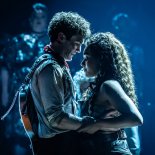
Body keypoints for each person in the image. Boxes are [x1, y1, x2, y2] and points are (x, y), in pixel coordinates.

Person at [29, 11, 93, 155]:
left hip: (61, 142)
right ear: (61, 37)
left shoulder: (58, 65)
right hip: (54, 146)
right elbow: (57, 118)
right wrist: (87, 124)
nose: (79, 50)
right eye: (77, 44)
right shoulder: (50, 68)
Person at [77, 32, 143, 155]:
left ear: (101, 59)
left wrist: (97, 124)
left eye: (87, 58)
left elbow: (136, 118)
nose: (82, 63)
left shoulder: (109, 85)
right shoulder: (97, 86)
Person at [1, 3, 49, 155]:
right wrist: (4, 95)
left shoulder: (55, 42)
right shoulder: (17, 41)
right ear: (30, 20)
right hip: (20, 102)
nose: (38, 20)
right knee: (20, 143)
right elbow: (5, 68)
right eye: (35, 17)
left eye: (42, 17)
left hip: (46, 104)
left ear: (47, 19)